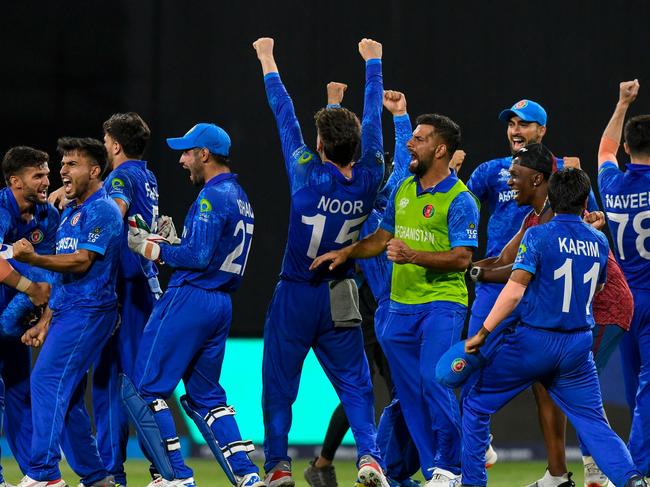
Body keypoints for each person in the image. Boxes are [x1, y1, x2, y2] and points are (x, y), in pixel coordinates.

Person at [312, 111, 479, 485]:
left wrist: (413, 256)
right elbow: (382, 238)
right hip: (399, 309)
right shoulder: (404, 191)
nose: (409, 143)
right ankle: (433, 467)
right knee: (409, 392)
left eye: (418, 139)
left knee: (435, 381)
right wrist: (349, 252)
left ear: (439, 150)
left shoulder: (460, 199)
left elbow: (463, 258)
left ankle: (452, 468)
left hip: (442, 303)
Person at [252, 36, 388, 487]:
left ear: (322, 147)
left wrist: (269, 57)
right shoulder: (371, 177)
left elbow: (283, 113)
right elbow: (372, 125)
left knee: (279, 386)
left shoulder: (306, 172)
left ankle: (277, 466)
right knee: (355, 384)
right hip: (340, 293)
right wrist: (374, 65)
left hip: (296, 291)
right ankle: (369, 457)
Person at [460, 167, 646, 487]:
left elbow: (515, 291)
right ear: (584, 200)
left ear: (551, 197)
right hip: (577, 346)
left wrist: (482, 332)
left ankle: (472, 483)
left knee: (475, 404)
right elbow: (597, 290)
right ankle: (632, 481)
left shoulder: (538, 235)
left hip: (535, 342)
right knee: (594, 423)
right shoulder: (599, 241)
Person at [122, 122, 260, 487]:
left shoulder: (212, 196)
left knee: (142, 390)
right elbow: (206, 250)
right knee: (207, 397)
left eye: (186, 152)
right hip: (220, 304)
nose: (182, 160)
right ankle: (248, 476)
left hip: (189, 298)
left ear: (205, 154)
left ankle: (174, 476)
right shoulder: (241, 196)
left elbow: (197, 256)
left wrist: (153, 248)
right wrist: (173, 240)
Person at [304, 88, 418, 487]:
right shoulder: (368, 199)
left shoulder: (387, 195)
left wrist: (400, 115)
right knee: (390, 389)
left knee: (374, 388)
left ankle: (329, 464)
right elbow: (332, 157)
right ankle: (386, 468)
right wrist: (396, 116)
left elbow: (399, 162)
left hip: (385, 300)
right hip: (373, 302)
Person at [13, 137, 122, 487]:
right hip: (68, 311)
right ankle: (95, 476)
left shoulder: (103, 209)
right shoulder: (73, 212)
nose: (62, 170)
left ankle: (44, 474)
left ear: (94, 170)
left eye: (71, 163)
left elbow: (80, 261)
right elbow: (62, 277)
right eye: (63, 164)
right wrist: (46, 320)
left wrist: (33, 259)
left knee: (45, 380)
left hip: (90, 311)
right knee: (70, 394)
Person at [92, 112, 161, 487]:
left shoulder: (120, 176)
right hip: (144, 285)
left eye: (104, 143)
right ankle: (154, 469)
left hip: (123, 288)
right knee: (135, 382)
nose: (104, 149)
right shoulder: (146, 175)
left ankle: (117, 471)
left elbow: (113, 215)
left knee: (115, 382)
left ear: (115, 145)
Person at [597, 79, 650, 478]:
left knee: (636, 387)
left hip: (624, 302)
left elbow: (604, 150)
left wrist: (621, 104)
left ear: (629, 149)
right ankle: (638, 467)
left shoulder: (611, 184)